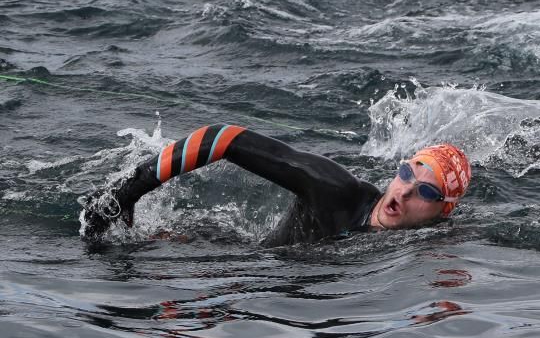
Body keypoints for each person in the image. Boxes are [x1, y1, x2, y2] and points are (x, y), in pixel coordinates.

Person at [80, 124, 471, 246]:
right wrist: (125, 193)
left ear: (444, 210)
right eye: (406, 174)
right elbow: (222, 138)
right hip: (238, 265)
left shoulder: (437, 239)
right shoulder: (334, 189)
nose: (403, 191)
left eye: (426, 192)